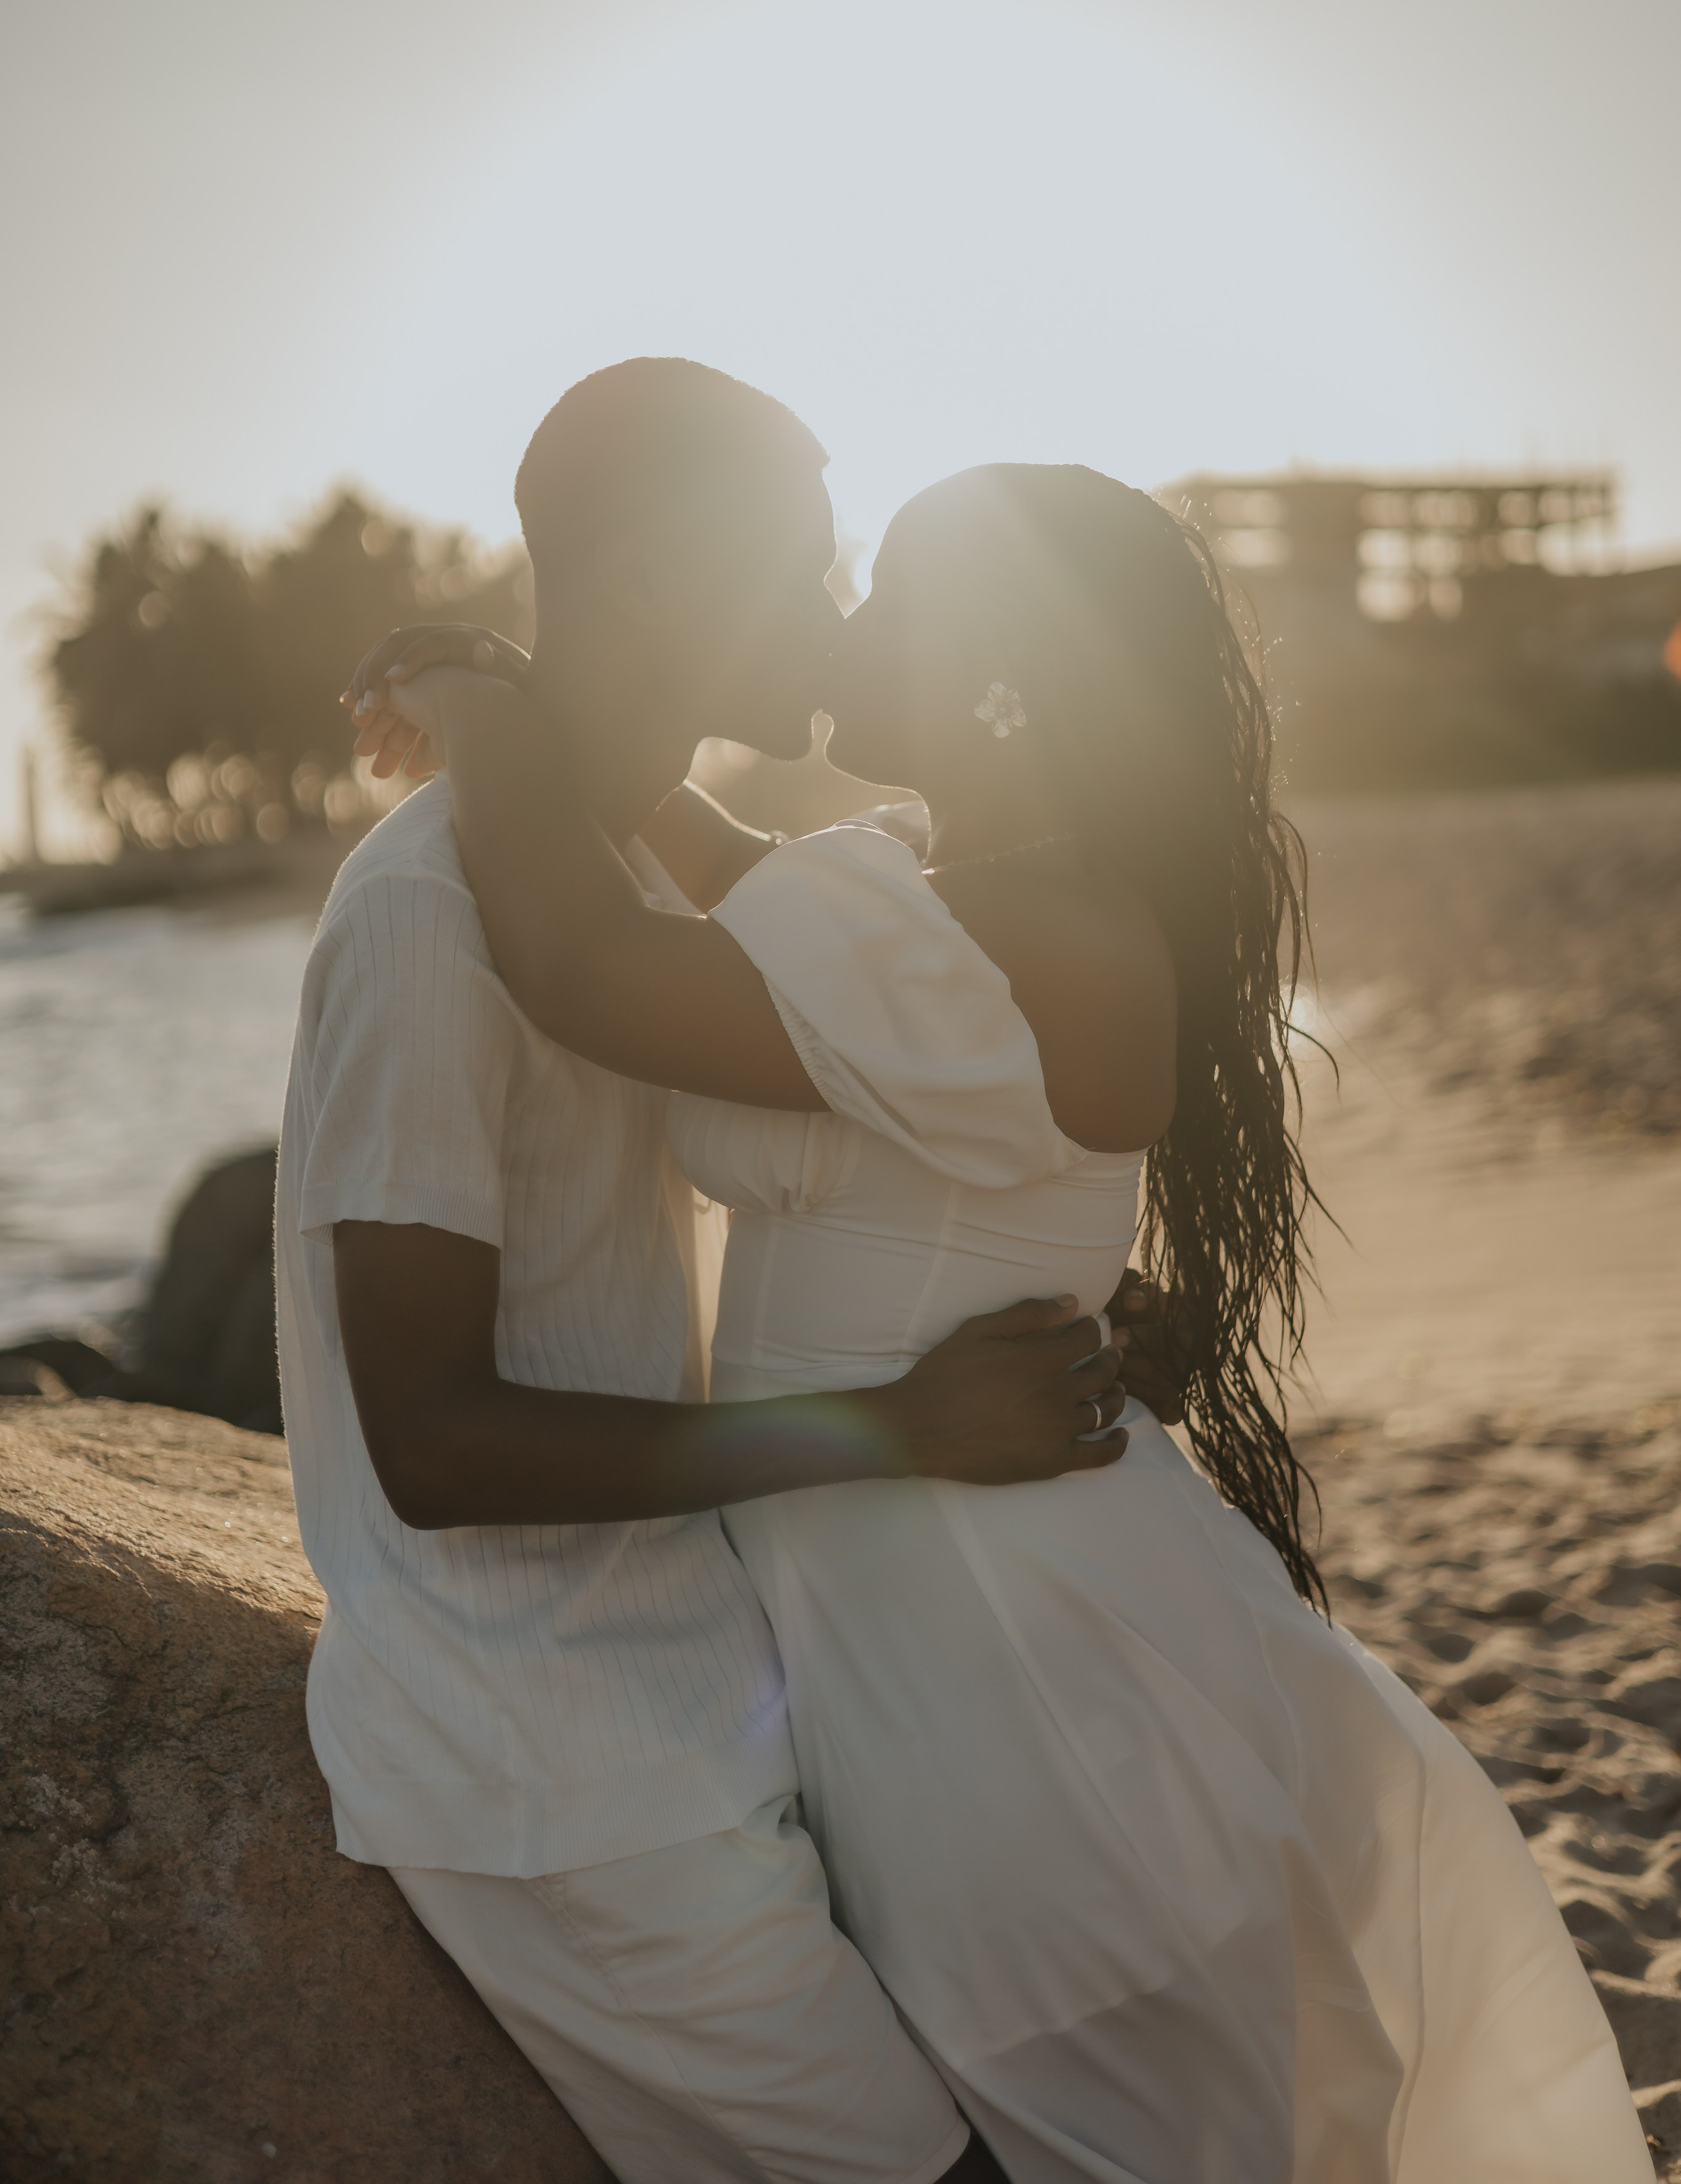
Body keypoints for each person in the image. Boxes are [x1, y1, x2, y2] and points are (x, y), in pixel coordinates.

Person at [370, 452, 1650, 2183]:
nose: (843, 623)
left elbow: (586, 965)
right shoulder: (936, 890)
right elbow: (749, 877)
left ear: (1000, 673)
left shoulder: (1046, 925)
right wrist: (546, 700)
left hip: (1017, 1660)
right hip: (939, 1624)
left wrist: (478, 707)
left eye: (890, 594)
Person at [276, 357, 1164, 2184]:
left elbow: (936, 1096)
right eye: (808, 566)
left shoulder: (613, 878)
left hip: (701, 1685)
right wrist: (898, 1423)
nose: (840, 619)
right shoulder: (436, 911)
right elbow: (429, 1443)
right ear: (665, 577)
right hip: (554, 1764)